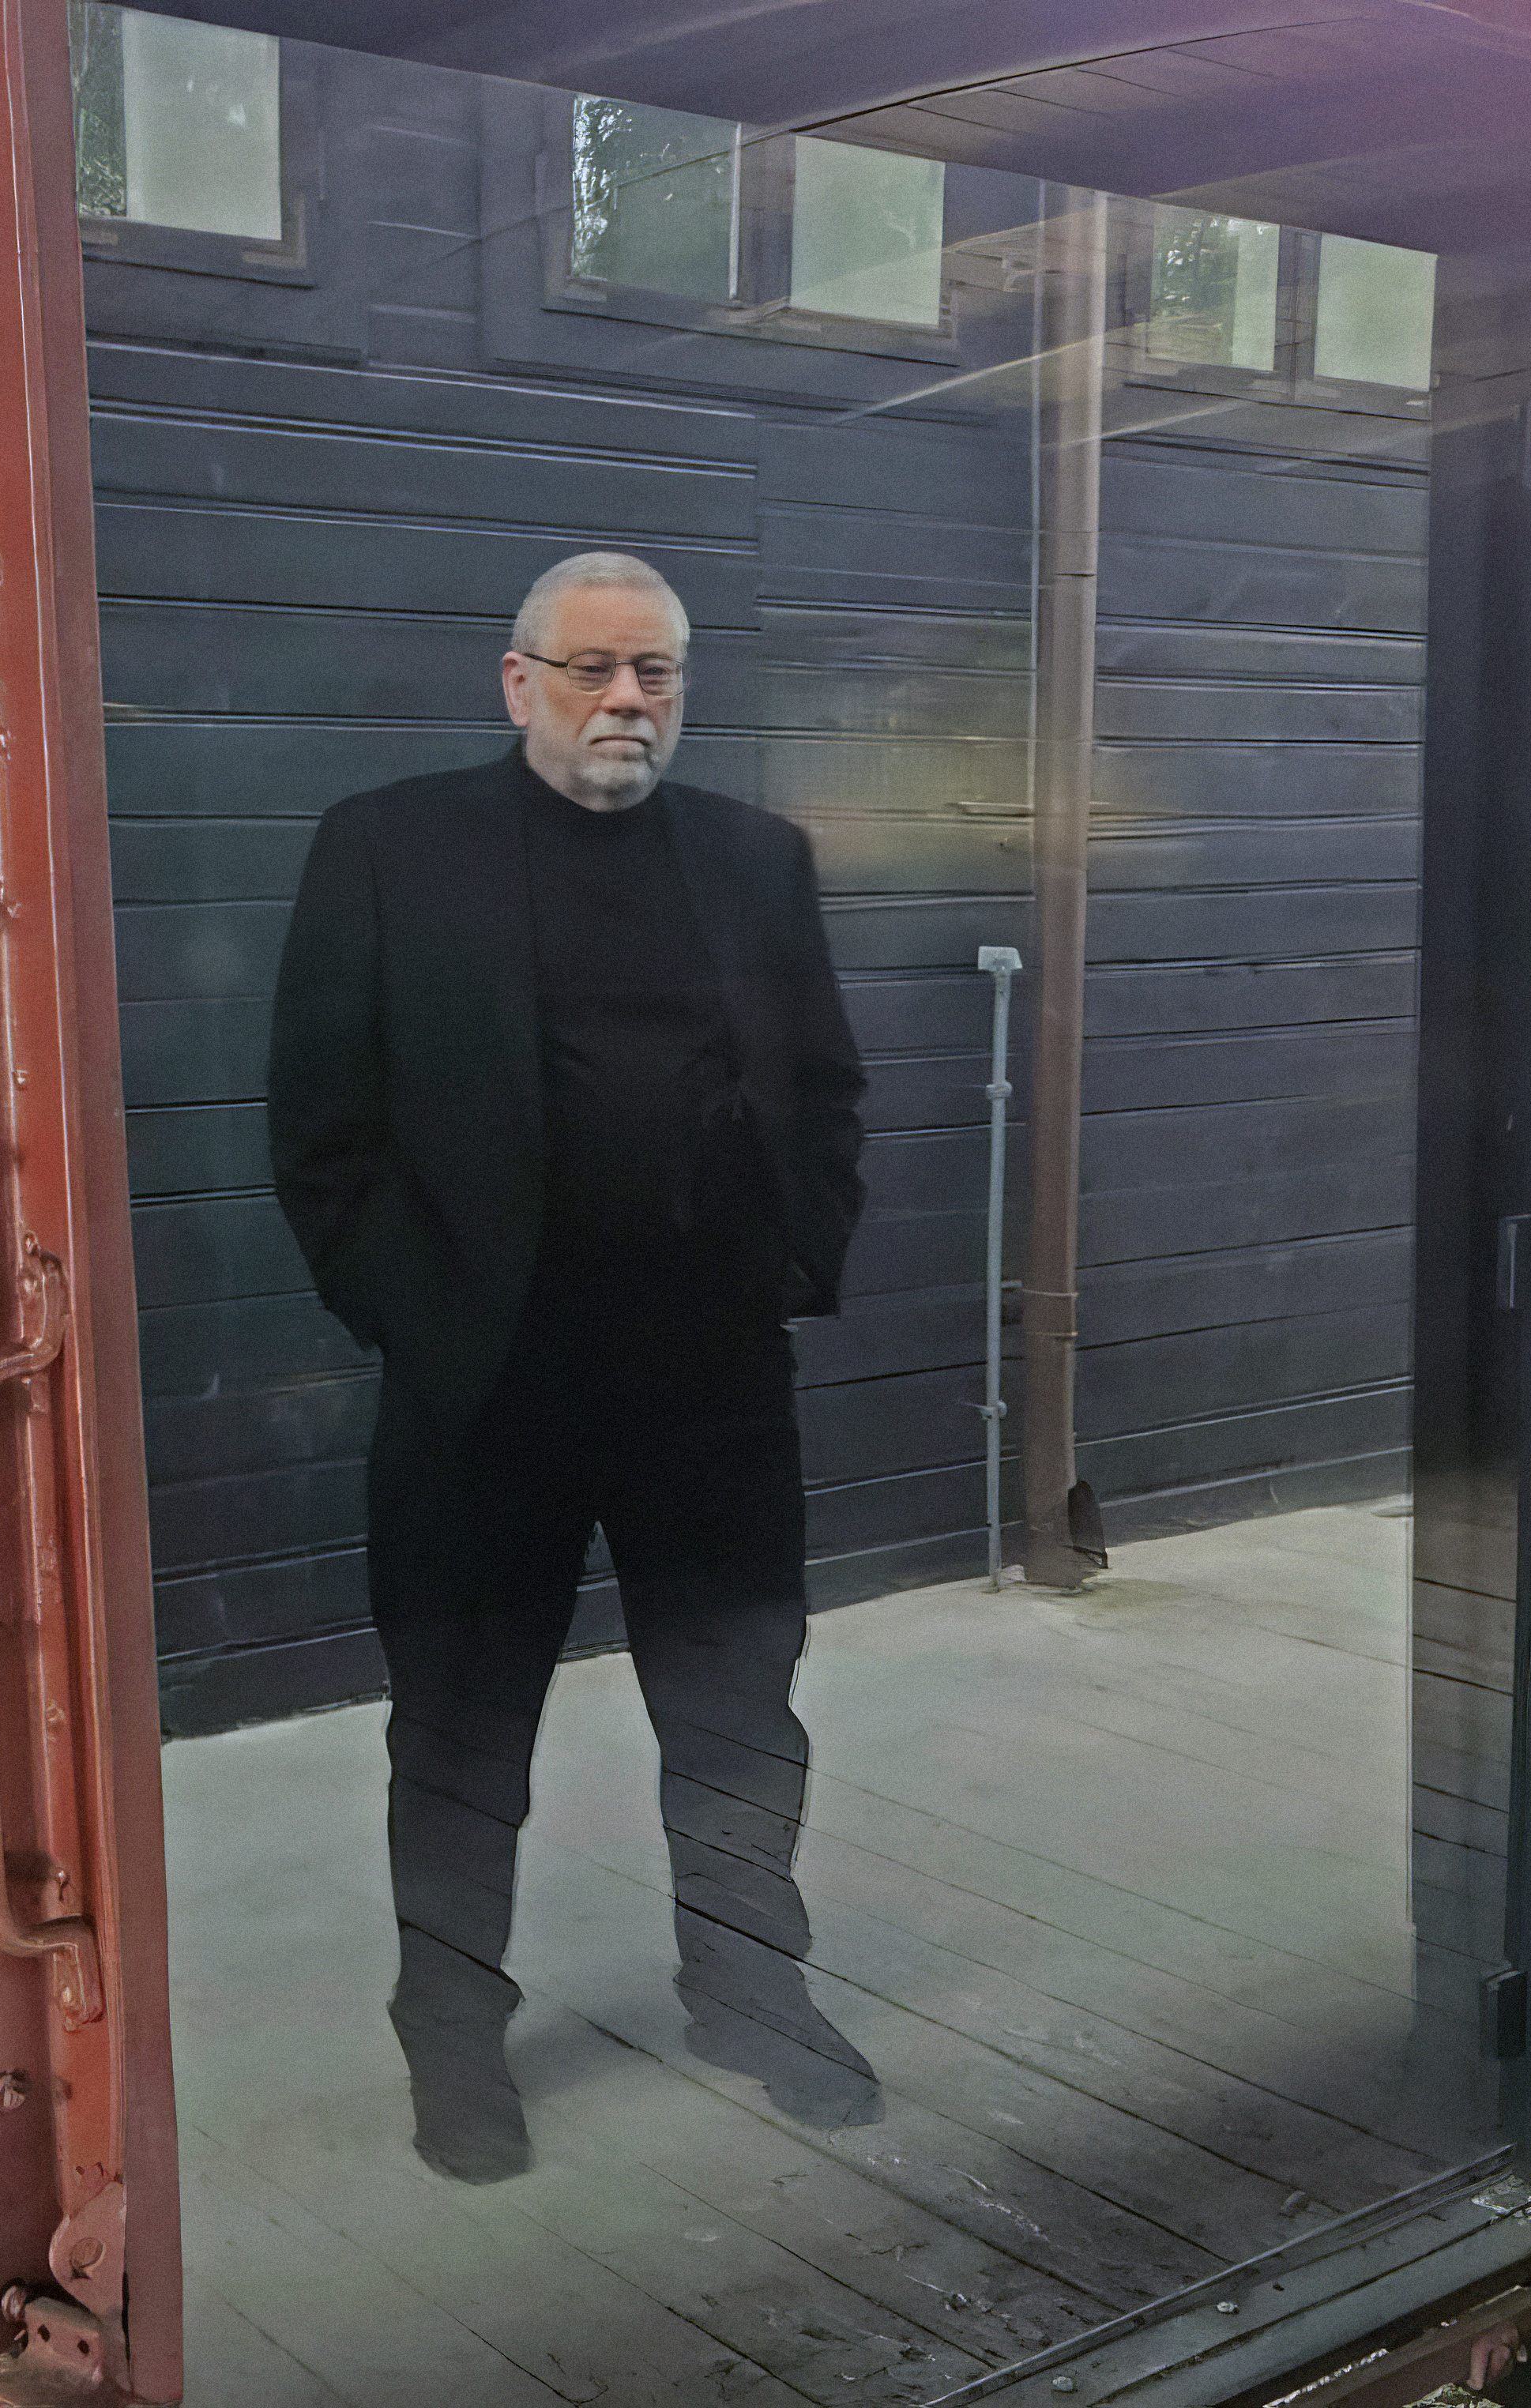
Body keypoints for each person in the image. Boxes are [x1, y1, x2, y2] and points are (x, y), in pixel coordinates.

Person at [267, 550, 877, 2180]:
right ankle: (453, 2041)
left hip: (711, 1392)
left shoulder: (759, 860)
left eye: (657, 672)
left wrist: (794, 1254)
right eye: (594, 667)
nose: (628, 701)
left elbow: (824, 1088)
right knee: (460, 1736)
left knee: (742, 1717)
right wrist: (420, 1320)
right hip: (488, 1395)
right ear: (516, 677)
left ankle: (749, 1997)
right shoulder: (389, 851)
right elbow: (321, 1136)